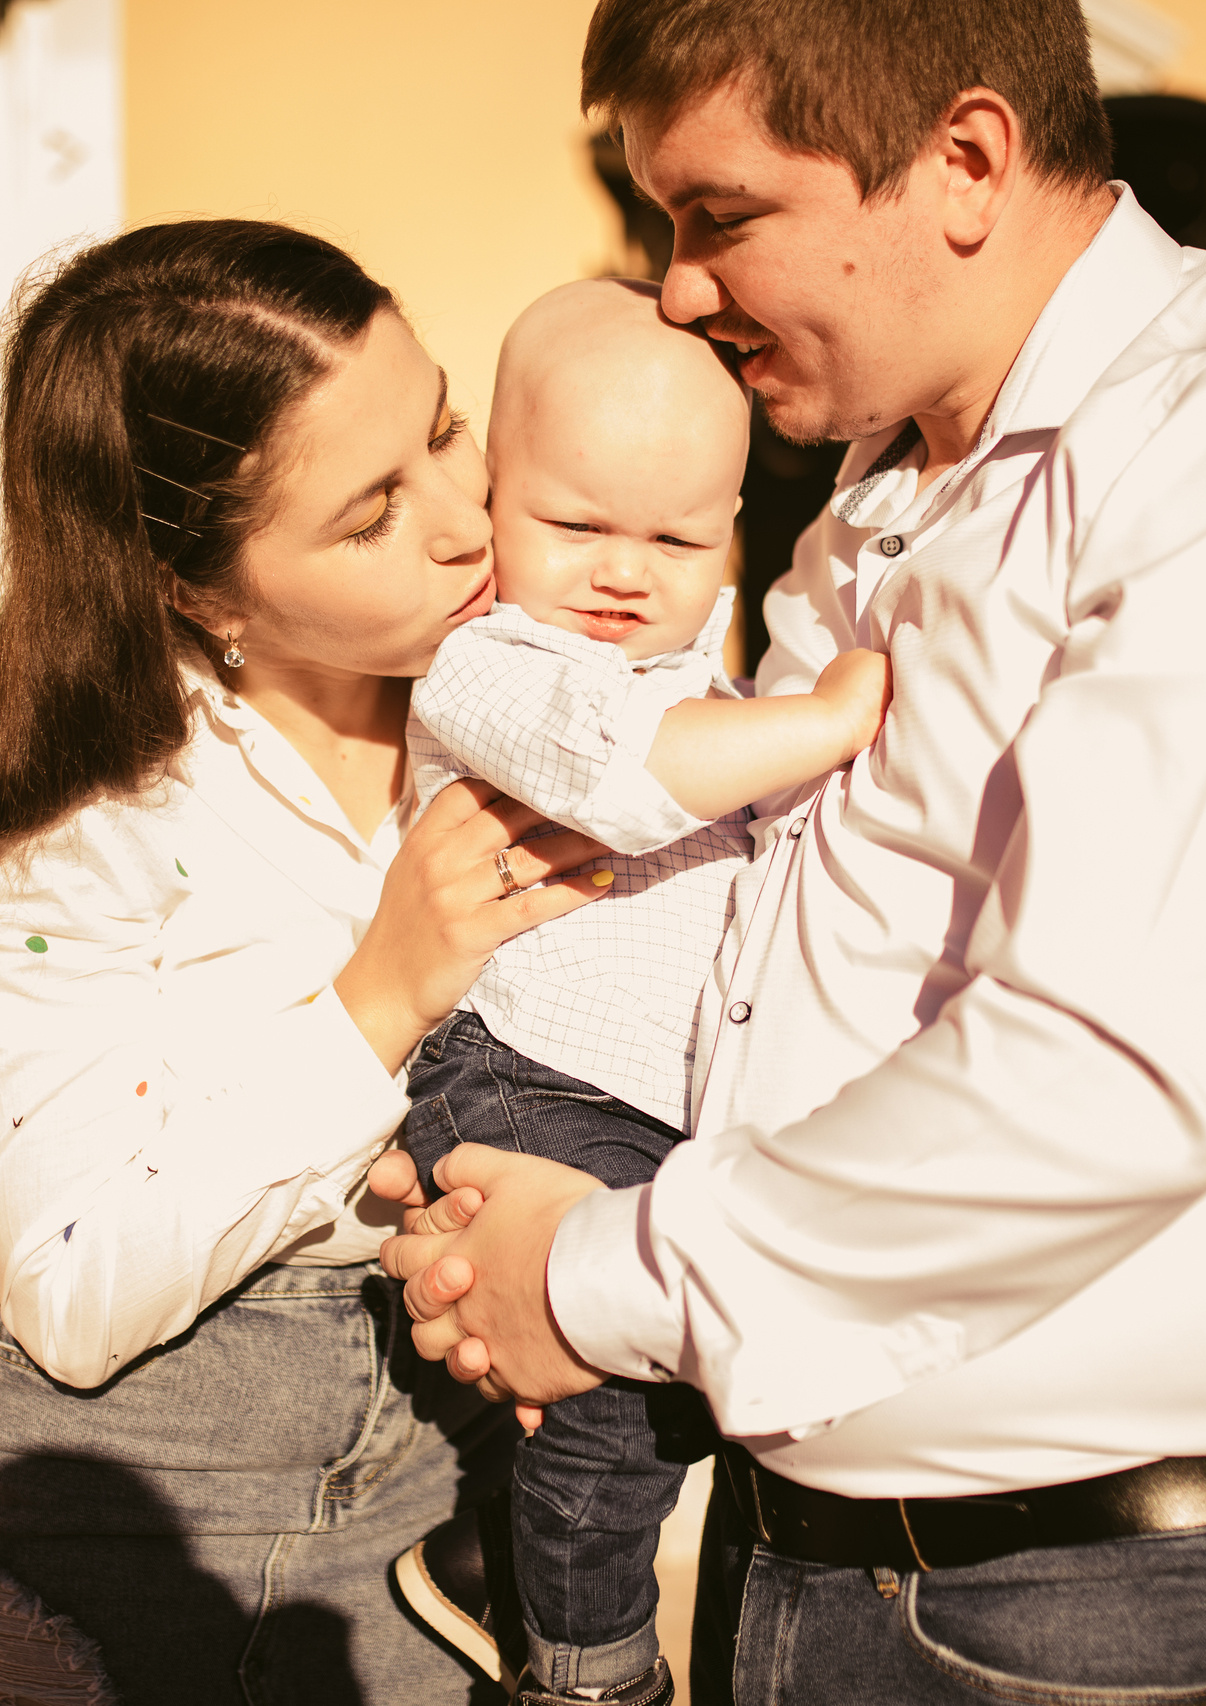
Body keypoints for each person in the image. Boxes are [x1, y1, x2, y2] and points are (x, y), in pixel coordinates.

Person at [375, 2, 1206, 1703]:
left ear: (966, 162)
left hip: (1115, 1619)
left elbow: (1104, 1068)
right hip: (806, 1573)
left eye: (720, 214)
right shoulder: (874, 493)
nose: (680, 287)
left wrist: (593, 1273)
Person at [0, 219, 618, 1704]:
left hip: (441, 1454)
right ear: (198, 588)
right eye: (372, 510)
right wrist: (381, 995)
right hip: (144, 1484)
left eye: (446, 427)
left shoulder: (532, 704)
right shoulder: (70, 834)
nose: (467, 518)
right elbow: (70, 1295)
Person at [386, 277, 889, 1706]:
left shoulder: (718, 702)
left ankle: (495, 1567)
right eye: (576, 524)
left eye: (674, 536)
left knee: (664, 1400)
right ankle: (588, 1670)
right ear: (495, 502)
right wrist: (835, 719)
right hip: (525, 1077)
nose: (623, 571)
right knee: (611, 1402)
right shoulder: (491, 666)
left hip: (652, 1109)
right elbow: (623, 767)